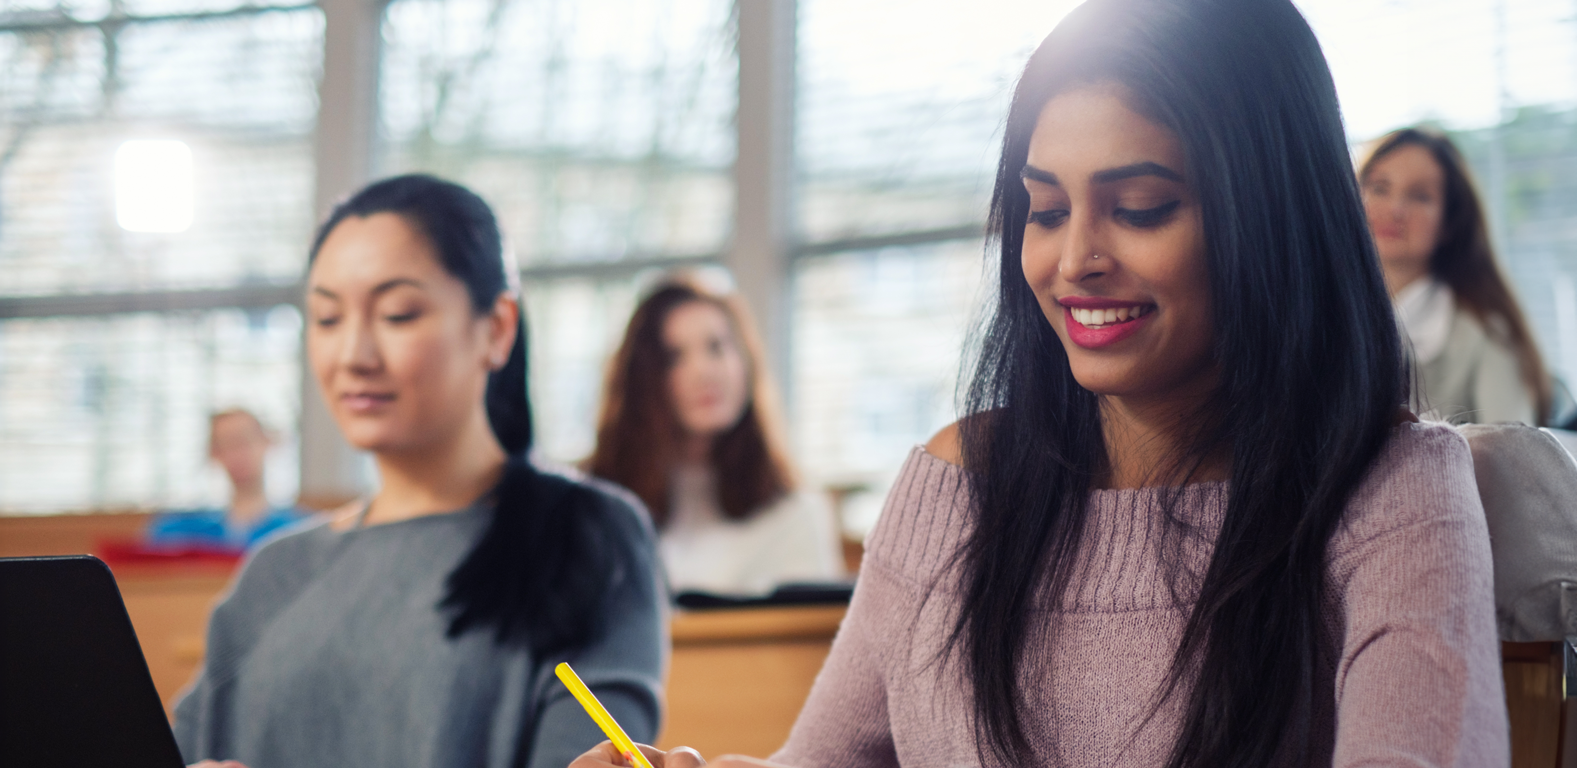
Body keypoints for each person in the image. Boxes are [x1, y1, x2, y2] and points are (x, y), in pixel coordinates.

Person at [572, 0, 1505, 766]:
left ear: (1271, 213)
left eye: (1141, 208)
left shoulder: (1393, 491)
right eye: (1046, 209)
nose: (1074, 260)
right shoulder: (955, 485)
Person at [174, 174, 666, 768]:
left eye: (398, 314)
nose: (354, 355)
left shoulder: (586, 533)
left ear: (497, 329)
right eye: (327, 319)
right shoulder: (274, 573)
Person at [584, 273, 843, 596]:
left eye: (716, 348)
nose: (702, 372)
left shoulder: (798, 514)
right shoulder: (597, 513)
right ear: (642, 380)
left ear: (746, 362)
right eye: (673, 357)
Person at [1361, 126, 1552, 425]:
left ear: (1450, 223)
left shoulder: (1486, 336)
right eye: (1380, 188)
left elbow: (1512, 461)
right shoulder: (1326, 318)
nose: (1394, 209)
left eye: (1420, 196)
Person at [147, 408, 307, 550]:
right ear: (214, 454)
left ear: (267, 442)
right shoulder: (178, 532)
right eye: (227, 444)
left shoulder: (301, 529)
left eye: (245, 441)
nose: (238, 454)